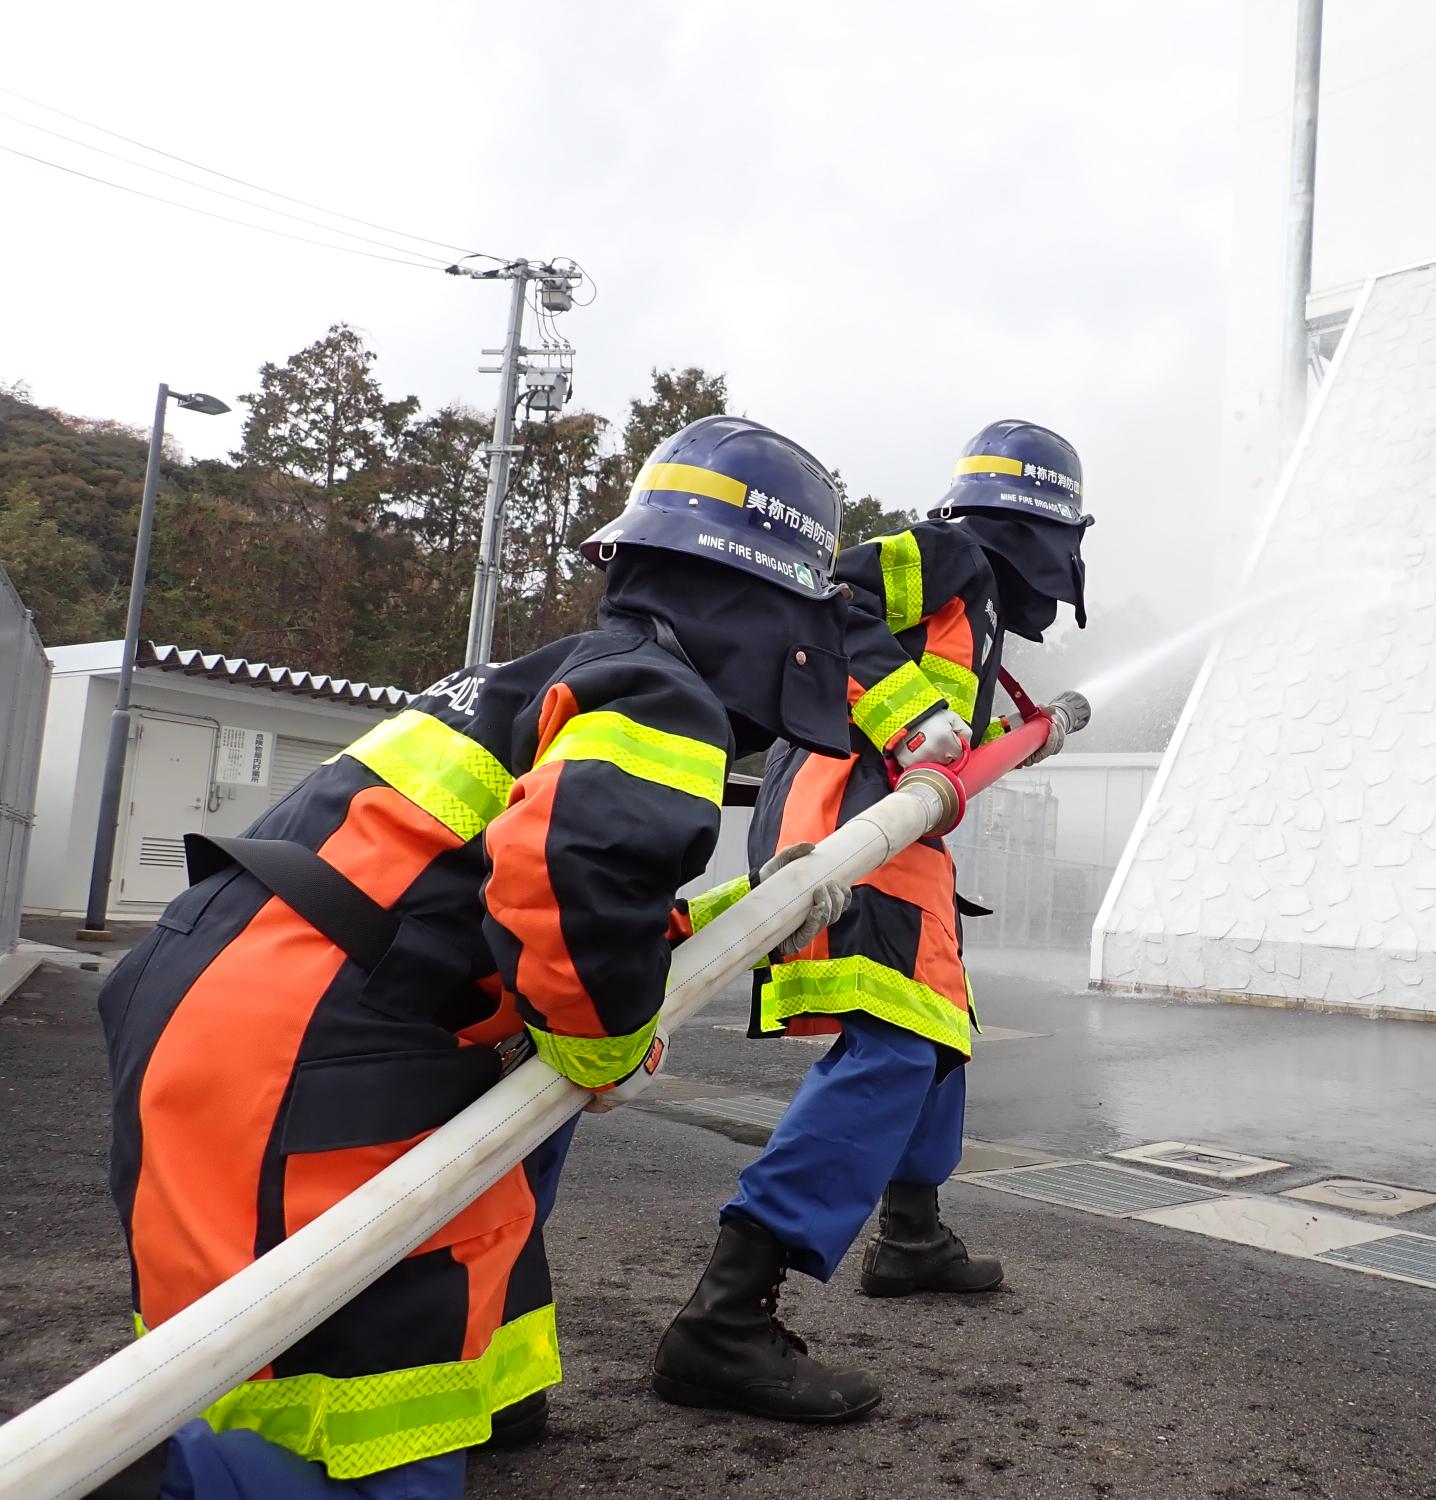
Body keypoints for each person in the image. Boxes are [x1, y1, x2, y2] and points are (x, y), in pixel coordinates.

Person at [93, 416, 861, 1499]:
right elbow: (568, 878)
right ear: (776, 610)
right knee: (346, 1383)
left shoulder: (541, 677)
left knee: (252, 1327)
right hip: (308, 1040)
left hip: (234, 994)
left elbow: (514, 893)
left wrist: (753, 905)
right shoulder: (663, 696)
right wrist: (604, 1046)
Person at [651, 419, 1091, 1423]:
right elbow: (829, 600)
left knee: (938, 1034)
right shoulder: (949, 555)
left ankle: (910, 1235)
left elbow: (939, 721)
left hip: (899, 832)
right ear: (1046, 529)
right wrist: (908, 718)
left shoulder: (975, 609)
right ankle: (724, 1315)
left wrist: (1012, 730)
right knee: (892, 1048)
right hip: (854, 823)